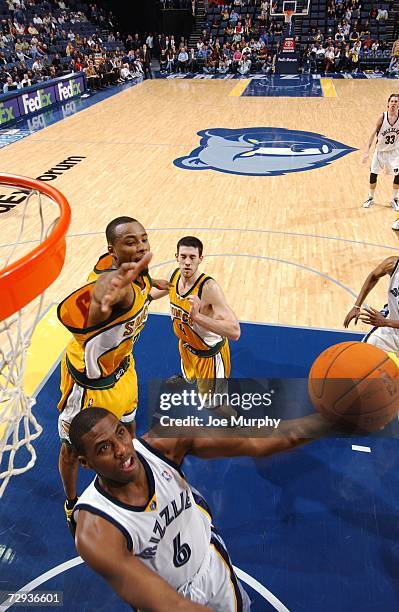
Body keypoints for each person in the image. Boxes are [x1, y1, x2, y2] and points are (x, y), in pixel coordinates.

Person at [70, 407, 333, 610]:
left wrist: (329, 420)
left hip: (211, 562)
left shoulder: (163, 444)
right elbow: (175, 606)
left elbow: (255, 440)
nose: (122, 450)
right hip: (168, 598)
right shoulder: (96, 531)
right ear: (85, 462)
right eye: (103, 448)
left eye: (120, 433)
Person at [57, 217, 167, 531]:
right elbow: (105, 295)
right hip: (88, 386)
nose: (141, 246)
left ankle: (128, 477)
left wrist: (155, 285)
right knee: (70, 449)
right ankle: (71, 502)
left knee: (128, 426)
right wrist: (106, 297)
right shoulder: (110, 285)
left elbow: (137, 288)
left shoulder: (134, 271)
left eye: (143, 239)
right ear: (112, 250)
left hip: (123, 369)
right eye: (130, 242)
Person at [150, 236, 240, 397]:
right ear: (176, 257)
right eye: (183, 256)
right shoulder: (175, 275)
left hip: (209, 355)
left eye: (192, 257)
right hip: (186, 346)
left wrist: (197, 317)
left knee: (213, 404)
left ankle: (234, 420)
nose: (187, 262)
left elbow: (235, 331)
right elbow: (164, 290)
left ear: (200, 259)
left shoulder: (209, 288)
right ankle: (188, 378)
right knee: (189, 376)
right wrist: (144, 299)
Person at [343, 254, 399, 353]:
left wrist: (385, 322)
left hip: (388, 323)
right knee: (365, 355)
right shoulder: (393, 264)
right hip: (391, 331)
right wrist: (356, 306)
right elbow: (373, 276)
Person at [362, 94, 399, 211]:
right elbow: (373, 133)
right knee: (373, 175)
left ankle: (394, 199)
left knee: (398, 175)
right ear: (388, 103)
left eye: (396, 102)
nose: (393, 103)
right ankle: (370, 198)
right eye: (392, 101)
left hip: (394, 152)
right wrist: (366, 151)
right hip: (380, 151)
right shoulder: (382, 117)